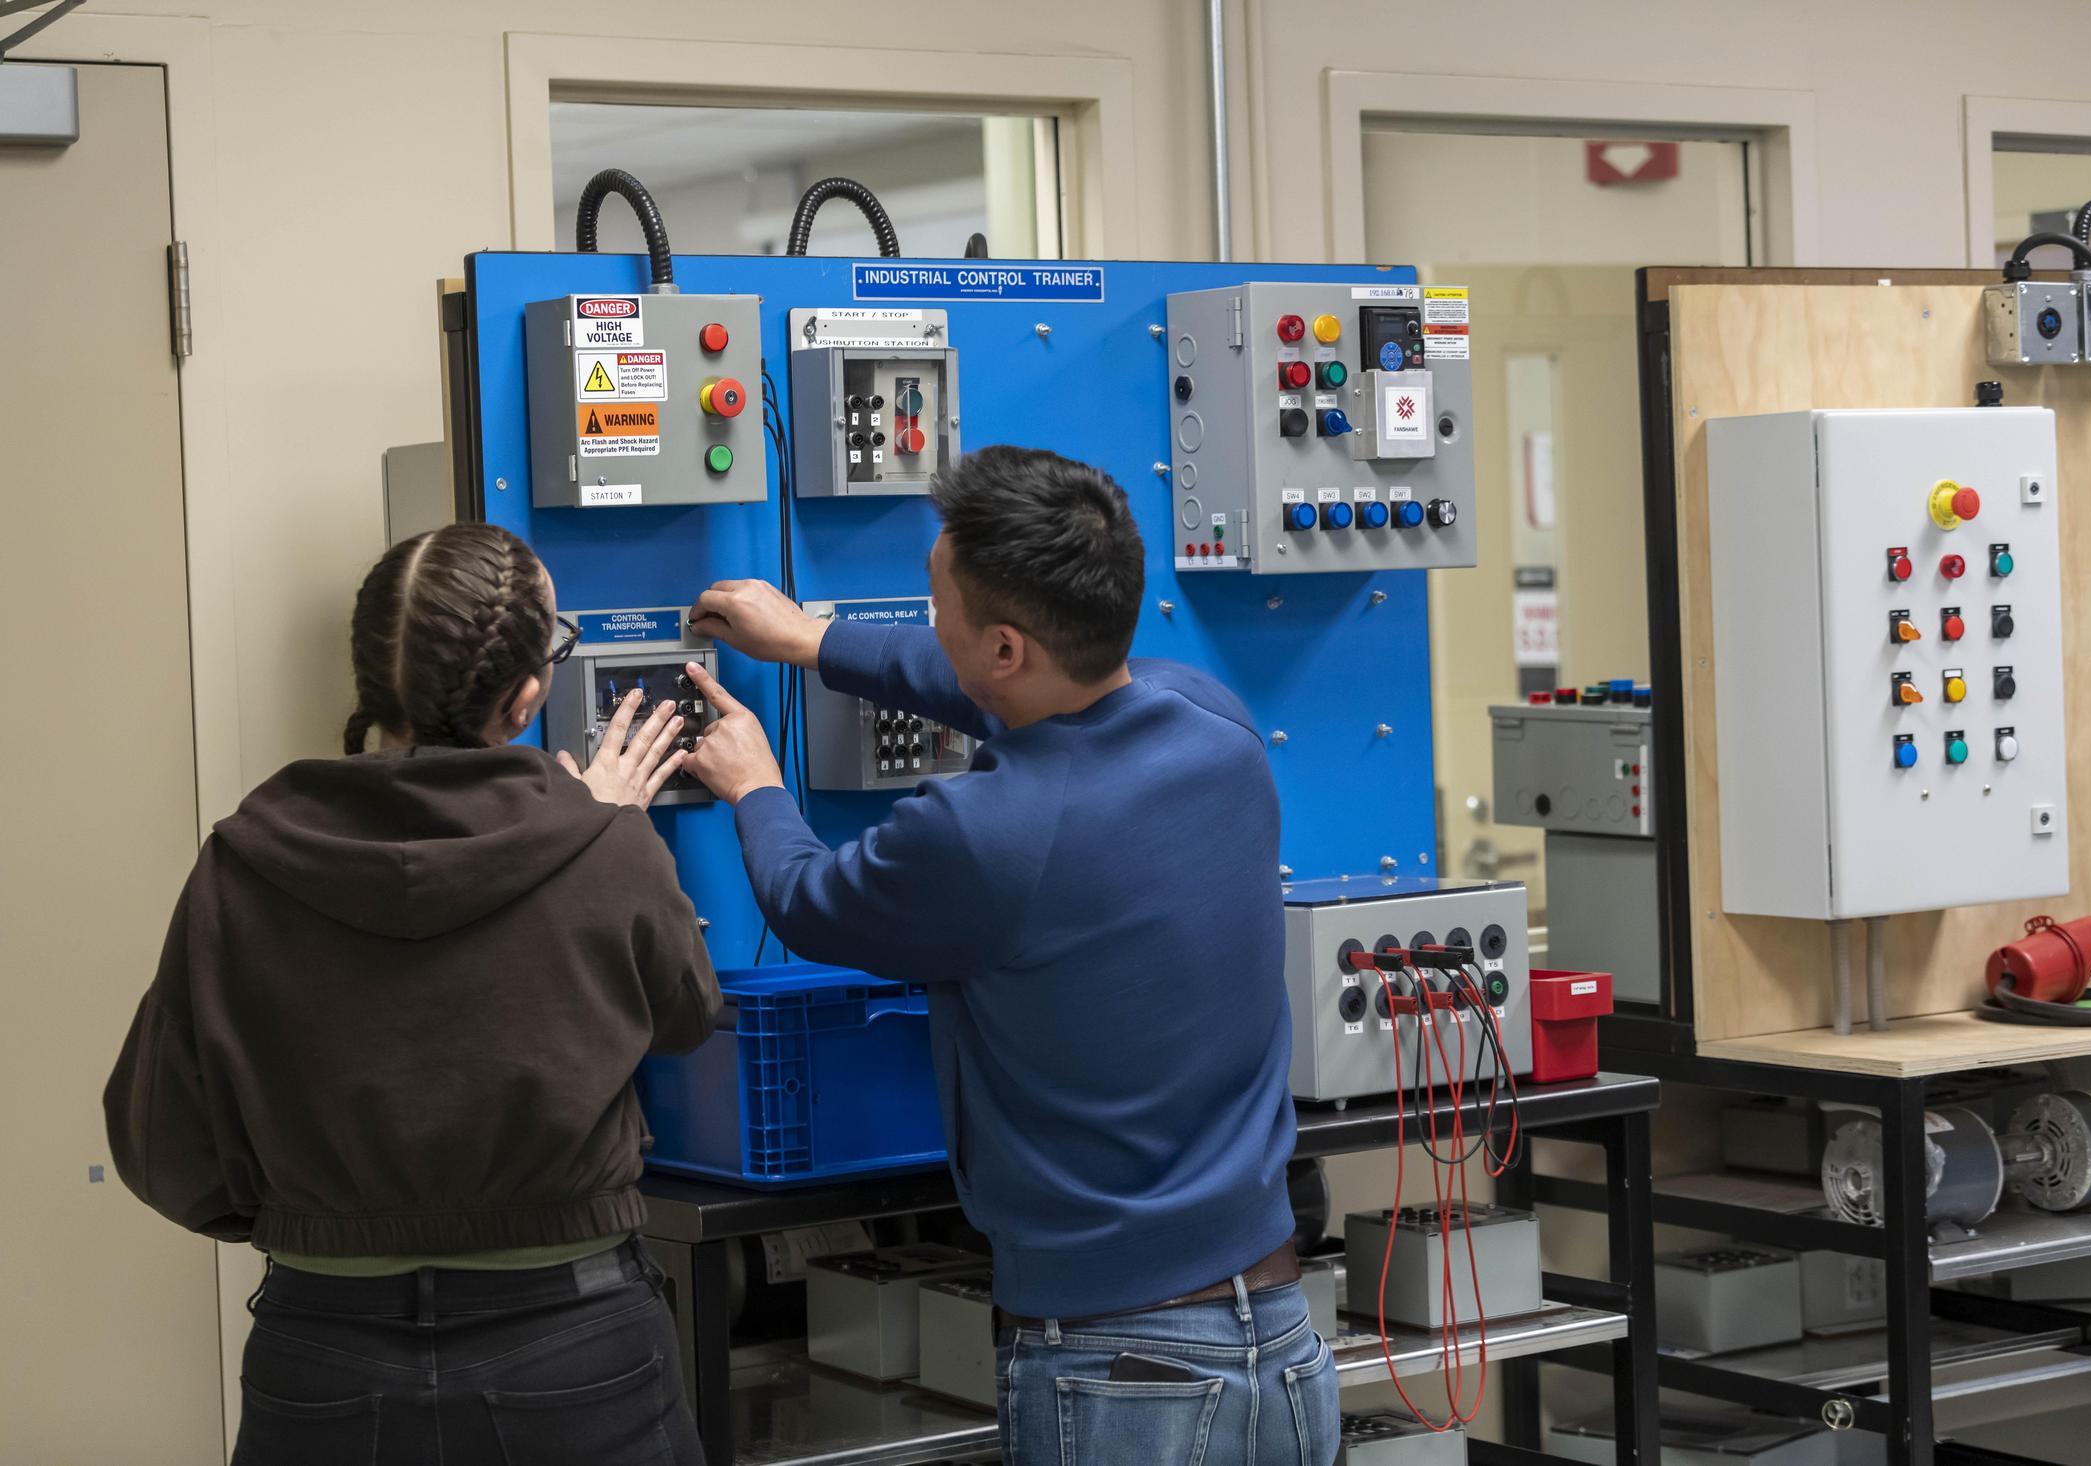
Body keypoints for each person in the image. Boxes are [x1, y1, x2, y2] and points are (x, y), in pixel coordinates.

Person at [682, 445, 1339, 1466]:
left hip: (1121, 1368)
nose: (927, 623)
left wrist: (755, 785)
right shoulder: (1210, 719)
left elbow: (811, 901)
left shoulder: (984, 831)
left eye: (936, 606)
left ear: (1000, 646)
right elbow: (997, 690)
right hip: (1283, 1339)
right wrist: (814, 641)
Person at [104, 522, 717, 1466]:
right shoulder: (607, 847)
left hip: (324, 1348)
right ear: (526, 694)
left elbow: (158, 1141)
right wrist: (600, 830)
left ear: (373, 680)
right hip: (574, 1345)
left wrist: (315, 1224)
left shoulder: (242, 859)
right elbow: (685, 1015)